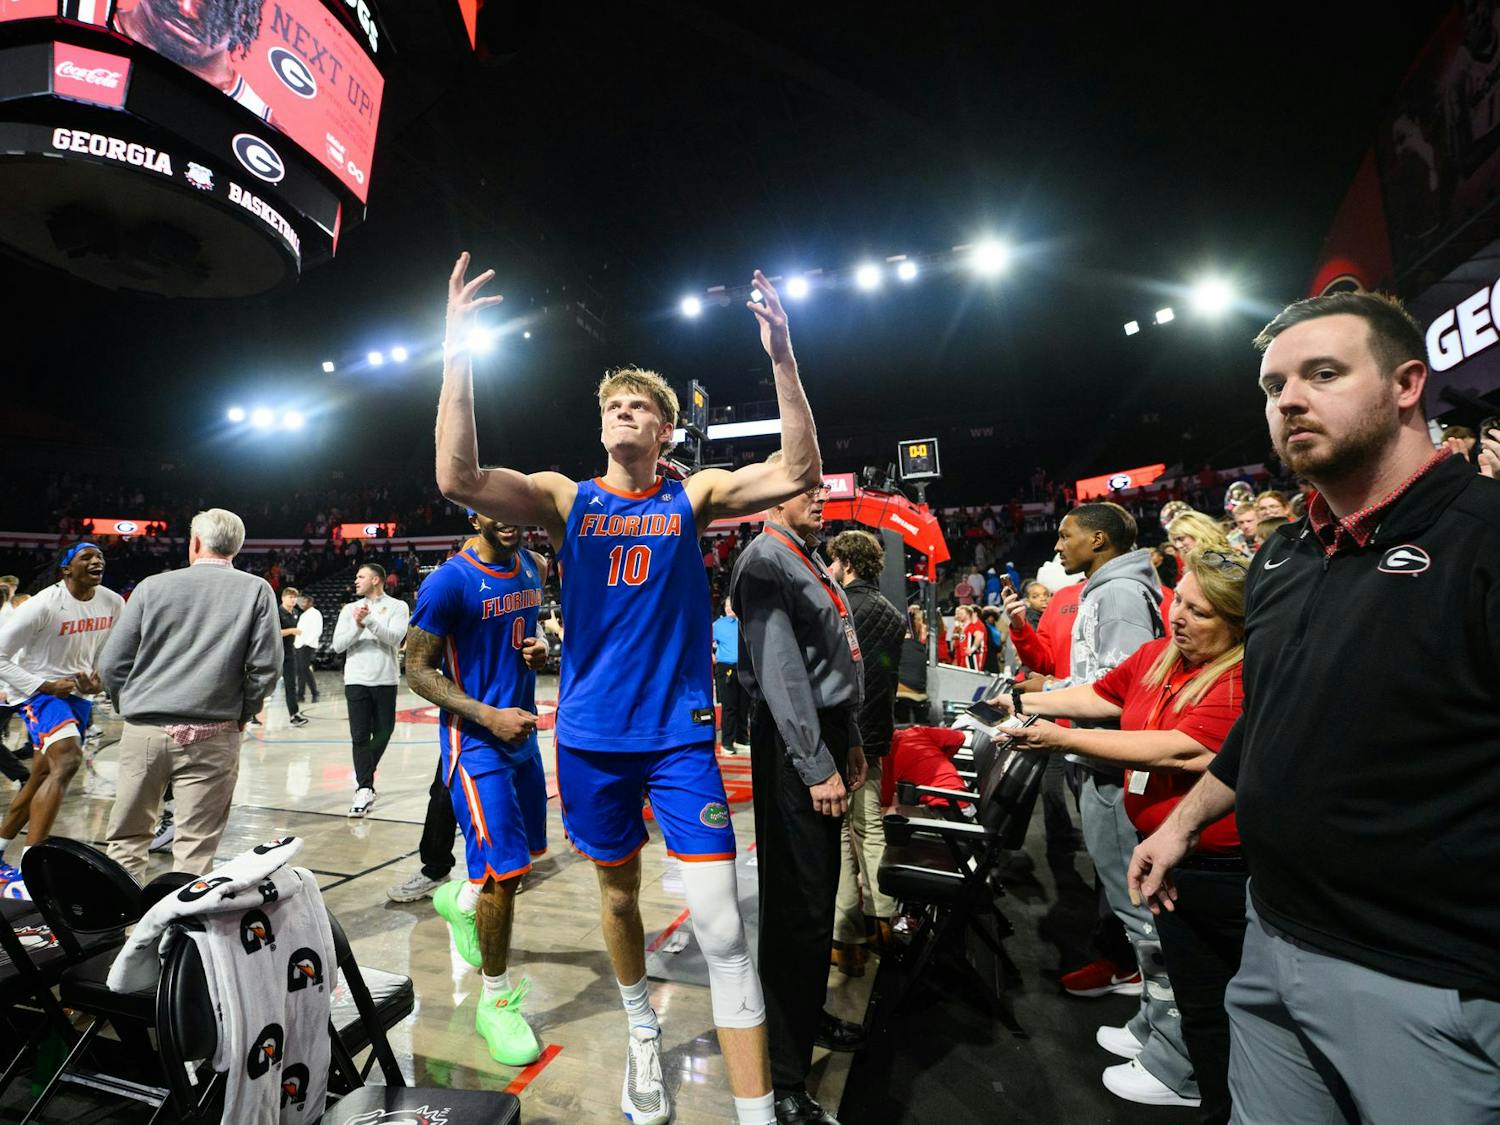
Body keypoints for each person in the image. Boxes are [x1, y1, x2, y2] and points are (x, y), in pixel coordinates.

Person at [435, 253, 816, 1125]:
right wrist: (456, 351)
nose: (620, 411)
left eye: (637, 404)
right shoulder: (567, 499)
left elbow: (797, 472)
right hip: (592, 736)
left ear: (665, 429)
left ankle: (756, 1115)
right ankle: (641, 1028)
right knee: (617, 893)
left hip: (681, 737)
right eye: (611, 404)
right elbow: (458, 478)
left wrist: (783, 358)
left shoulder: (696, 496)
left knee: (721, 928)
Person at [1130, 291, 1500, 1124]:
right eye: (1272, 386)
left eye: (1322, 374)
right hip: (1273, 941)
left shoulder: (1485, 539)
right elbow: (1270, 720)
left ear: (1409, 384)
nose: (1288, 399)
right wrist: (1182, 824)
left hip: (1429, 978)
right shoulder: (1283, 557)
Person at [999, 549, 1246, 1119]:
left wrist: (1061, 739)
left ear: (1235, 622)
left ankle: (1183, 1072)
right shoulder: (1163, 654)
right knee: (1158, 952)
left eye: (1199, 612)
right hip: (1163, 845)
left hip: (1210, 860)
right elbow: (1101, 696)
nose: (1178, 616)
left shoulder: (1236, 676)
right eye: (1178, 601)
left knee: (1191, 975)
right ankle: (1162, 1042)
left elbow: (1180, 751)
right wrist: (1021, 701)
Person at [1022, 503, 1196, 1104]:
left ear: (1099, 538)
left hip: (1117, 771)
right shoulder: (1111, 588)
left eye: (1067, 534)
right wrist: (1042, 702)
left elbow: (1126, 696)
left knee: (1142, 913)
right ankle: (1155, 1027)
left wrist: (1058, 720)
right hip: (1107, 764)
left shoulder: (1118, 595)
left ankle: (1180, 1056)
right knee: (1133, 910)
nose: (1059, 542)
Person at [732, 466, 866, 1124]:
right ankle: (784, 1079)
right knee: (798, 908)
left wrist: (852, 738)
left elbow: (833, 657)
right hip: (796, 746)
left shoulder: (802, 555)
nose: (823, 497)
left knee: (813, 902)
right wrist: (816, 763)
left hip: (824, 733)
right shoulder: (765, 557)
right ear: (770, 495)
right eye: (807, 487)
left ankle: (806, 1017)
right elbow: (782, 675)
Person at [404, 512, 552, 1065]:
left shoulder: (533, 568)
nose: (511, 519)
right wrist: (487, 716)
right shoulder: (448, 581)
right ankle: (495, 1001)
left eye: (517, 505)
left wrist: (537, 652)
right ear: (473, 512)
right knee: (506, 874)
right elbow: (417, 669)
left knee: (521, 863)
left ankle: (459, 899)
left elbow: (516, 640)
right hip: (476, 743)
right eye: (496, 507)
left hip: (522, 734)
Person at [96, 509, 281, 880]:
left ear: (195, 543)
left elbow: (112, 663)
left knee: (128, 839)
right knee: (196, 847)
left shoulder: (151, 587)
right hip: (214, 733)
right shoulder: (256, 589)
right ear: (237, 548)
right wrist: (242, 713)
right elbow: (266, 668)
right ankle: (180, 936)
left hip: (146, 729)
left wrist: (129, 705)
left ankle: (120, 929)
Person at [0, 543, 124, 877]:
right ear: (66, 569)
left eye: (100, 556)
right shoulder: (43, 605)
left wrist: (98, 681)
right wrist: (44, 686)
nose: (97, 560)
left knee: (41, 774)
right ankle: (32, 870)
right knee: (68, 760)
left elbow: (107, 652)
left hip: (77, 696)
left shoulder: (113, 602)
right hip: (40, 693)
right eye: (87, 557)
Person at [825, 529, 904, 978]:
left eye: (834, 563)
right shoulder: (893, 614)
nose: (830, 570)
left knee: (840, 837)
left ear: (846, 565)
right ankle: (884, 923)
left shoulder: (839, 608)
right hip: (875, 736)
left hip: (842, 737)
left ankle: (846, 939)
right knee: (870, 831)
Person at [112, 0, 277, 124]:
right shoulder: (89, 15)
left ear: (244, 16)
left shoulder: (260, 124)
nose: (186, 9)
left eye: (210, 4)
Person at [331, 562, 409, 817]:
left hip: (385, 679)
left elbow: (395, 638)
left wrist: (370, 622)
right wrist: (357, 625)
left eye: (361, 576)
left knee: (385, 732)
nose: (356, 580)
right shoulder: (349, 609)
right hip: (355, 679)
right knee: (360, 736)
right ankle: (364, 787)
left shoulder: (398, 606)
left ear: (376, 580)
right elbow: (338, 646)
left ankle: (364, 771)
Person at [713, 595, 750, 754]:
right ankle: (727, 742)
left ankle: (741, 738)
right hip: (726, 668)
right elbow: (704, 640)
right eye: (727, 605)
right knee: (729, 706)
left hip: (744, 668)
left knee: (744, 705)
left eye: (732, 605)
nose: (729, 608)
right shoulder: (718, 624)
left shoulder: (744, 622)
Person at [278, 588, 310, 728]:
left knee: (291, 684)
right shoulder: (277, 613)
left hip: (290, 653)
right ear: (283, 598)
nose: (293, 600)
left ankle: (294, 714)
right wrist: (291, 631)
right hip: (276, 653)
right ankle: (251, 715)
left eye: (295, 598)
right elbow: (273, 632)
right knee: (264, 685)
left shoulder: (296, 613)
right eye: (290, 597)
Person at [294, 593, 322, 705]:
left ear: (310, 602)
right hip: (299, 645)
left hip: (307, 645)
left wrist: (307, 642)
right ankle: (300, 695)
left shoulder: (315, 614)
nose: (302, 604)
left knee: (305, 669)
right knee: (299, 671)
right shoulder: (304, 614)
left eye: (304, 601)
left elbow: (317, 631)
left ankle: (315, 693)